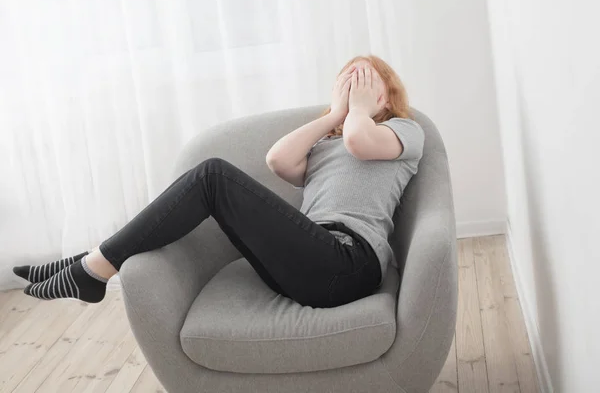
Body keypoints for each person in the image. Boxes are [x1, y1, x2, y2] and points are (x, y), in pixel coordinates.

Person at [13, 55, 425, 308]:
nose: (356, 91)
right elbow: (277, 160)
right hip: (307, 261)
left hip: (350, 263)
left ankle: (92, 269)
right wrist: (334, 115)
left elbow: (359, 138)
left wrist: (357, 111)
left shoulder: (403, 132)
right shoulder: (327, 142)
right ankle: (91, 261)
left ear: (386, 96)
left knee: (212, 175)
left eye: (367, 83)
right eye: (349, 83)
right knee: (211, 182)